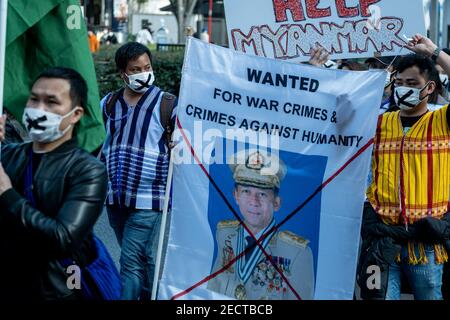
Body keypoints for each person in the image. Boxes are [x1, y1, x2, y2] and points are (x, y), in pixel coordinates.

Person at [0, 67, 108, 300]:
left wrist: (7, 194)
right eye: (34, 99)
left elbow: (63, 239)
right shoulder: (7, 156)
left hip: (56, 290)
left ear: (76, 114)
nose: (39, 109)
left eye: (51, 102)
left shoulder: (88, 170)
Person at [360, 34, 450, 300]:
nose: (403, 89)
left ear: (430, 87)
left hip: (426, 244)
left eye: (412, 83)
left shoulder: (442, 122)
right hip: (381, 242)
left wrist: (434, 52)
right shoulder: (377, 122)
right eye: (399, 83)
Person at [101, 42, 177, 300]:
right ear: (123, 73)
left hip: (150, 197)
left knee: (131, 259)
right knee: (142, 256)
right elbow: (101, 143)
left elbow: (191, 141)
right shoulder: (108, 104)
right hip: (115, 196)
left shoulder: (168, 104)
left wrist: (180, 143)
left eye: (147, 67)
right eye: (135, 69)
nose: (143, 73)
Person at [207, 150, 315, 300]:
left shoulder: (297, 253)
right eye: (246, 191)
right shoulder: (225, 234)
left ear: (276, 203)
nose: (253, 201)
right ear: (236, 196)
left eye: (262, 194)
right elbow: (213, 290)